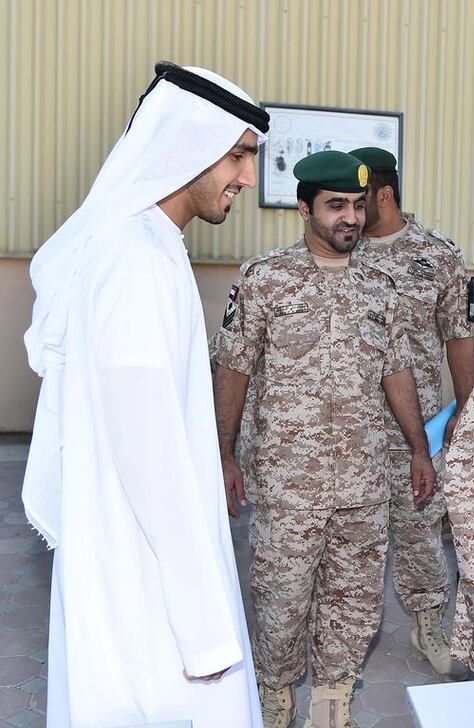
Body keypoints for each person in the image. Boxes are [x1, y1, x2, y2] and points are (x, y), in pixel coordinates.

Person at [21, 62, 269, 727]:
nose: (247, 177)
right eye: (238, 154)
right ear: (185, 144)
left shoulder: (143, 247)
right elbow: (149, 459)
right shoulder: (133, 260)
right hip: (145, 584)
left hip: (137, 564)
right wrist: (205, 626)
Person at [211, 150, 436, 728]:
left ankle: (332, 702)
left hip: (364, 480)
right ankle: (277, 694)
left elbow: (397, 372)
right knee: (282, 599)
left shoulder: (381, 287)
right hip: (289, 486)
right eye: (336, 206)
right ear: (305, 208)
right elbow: (233, 370)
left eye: (358, 207)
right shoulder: (265, 281)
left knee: (355, 598)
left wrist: (417, 448)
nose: (351, 219)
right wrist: (223, 456)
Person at [348, 147, 474, 680]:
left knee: (421, 530)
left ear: (385, 194)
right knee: (352, 540)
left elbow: (459, 339)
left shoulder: (437, 255)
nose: (351, 212)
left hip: (416, 428)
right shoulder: (338, 252)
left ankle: (428, 626)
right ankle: (344, 642)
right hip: (348, 429)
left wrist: (469, 415)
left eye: (361, 199)